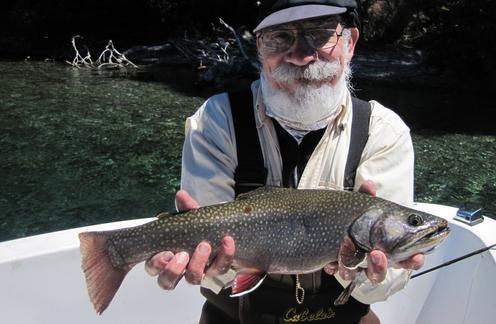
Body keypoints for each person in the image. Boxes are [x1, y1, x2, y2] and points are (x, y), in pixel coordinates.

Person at [145, 0, 424, 323]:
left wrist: (359, 271)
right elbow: (213, 273)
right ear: (259, 48)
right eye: (280, 37)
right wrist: (202, 265)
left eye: (319, 34)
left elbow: (381, 285)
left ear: (350, 43)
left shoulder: (383, 132)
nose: (301, 54)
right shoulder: (216, 122)